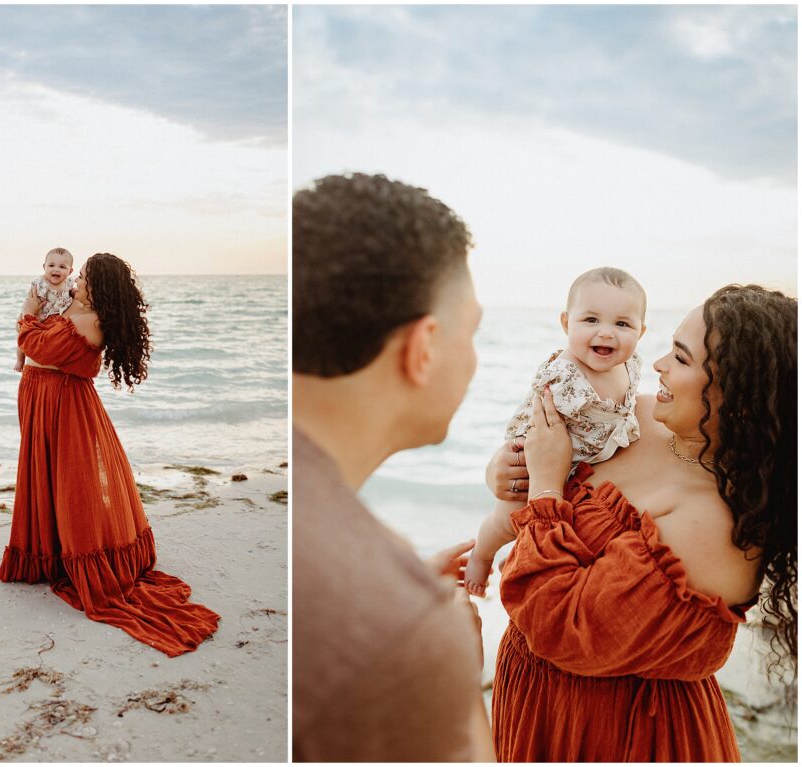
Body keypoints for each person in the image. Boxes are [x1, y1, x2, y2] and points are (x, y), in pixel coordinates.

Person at [485, 284, 797, 761]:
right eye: (670, 347)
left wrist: (546, 487)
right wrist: (504, 472)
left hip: (617, 734)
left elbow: (567, 628)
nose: (658, 366)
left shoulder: (718, 524)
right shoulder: (637, 417)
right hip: (538, 703)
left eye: (683, 358)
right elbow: (539, 462)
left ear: (739, 394)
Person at [292, 172, 494, 761]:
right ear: (424, 347)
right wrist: (439, 645)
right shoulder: (403, 636)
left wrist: (393, 583)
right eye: (473, 330)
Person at [0, 252, 220, 656]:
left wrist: (27, 315)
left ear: (97, 286)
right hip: (46, 397)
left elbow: (35, 346)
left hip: (59, 403)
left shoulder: (86, 319)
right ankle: (54, 550)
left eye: (82, 277)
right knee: (52, 474)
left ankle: (70, 553)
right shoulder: (81, 312)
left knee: (69, 479)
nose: (76, 281)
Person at [465, 266, 647, 595]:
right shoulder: (565, 373)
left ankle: (518, 561)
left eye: (622, 324)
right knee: (509, 520)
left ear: (641, 332)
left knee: (571, 529)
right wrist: (510, 459)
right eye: (591, 320)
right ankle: (482, 554)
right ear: (566, 323)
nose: (606, 333)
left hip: (586, 469)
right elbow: (535, 423)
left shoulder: (629, 367)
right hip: (537, 466)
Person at [13, 247, 76, 371]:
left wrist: (74, 293)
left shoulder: (68, 283)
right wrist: (30, 315)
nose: (56, 269)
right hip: (38, 314)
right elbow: (32, 301)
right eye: (51, 265)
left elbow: (71, 293)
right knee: (23, 335)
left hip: (55, 317)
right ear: (44, 267)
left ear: (70, 271)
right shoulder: (41, 284)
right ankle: (20, 361)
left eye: (62, 267)